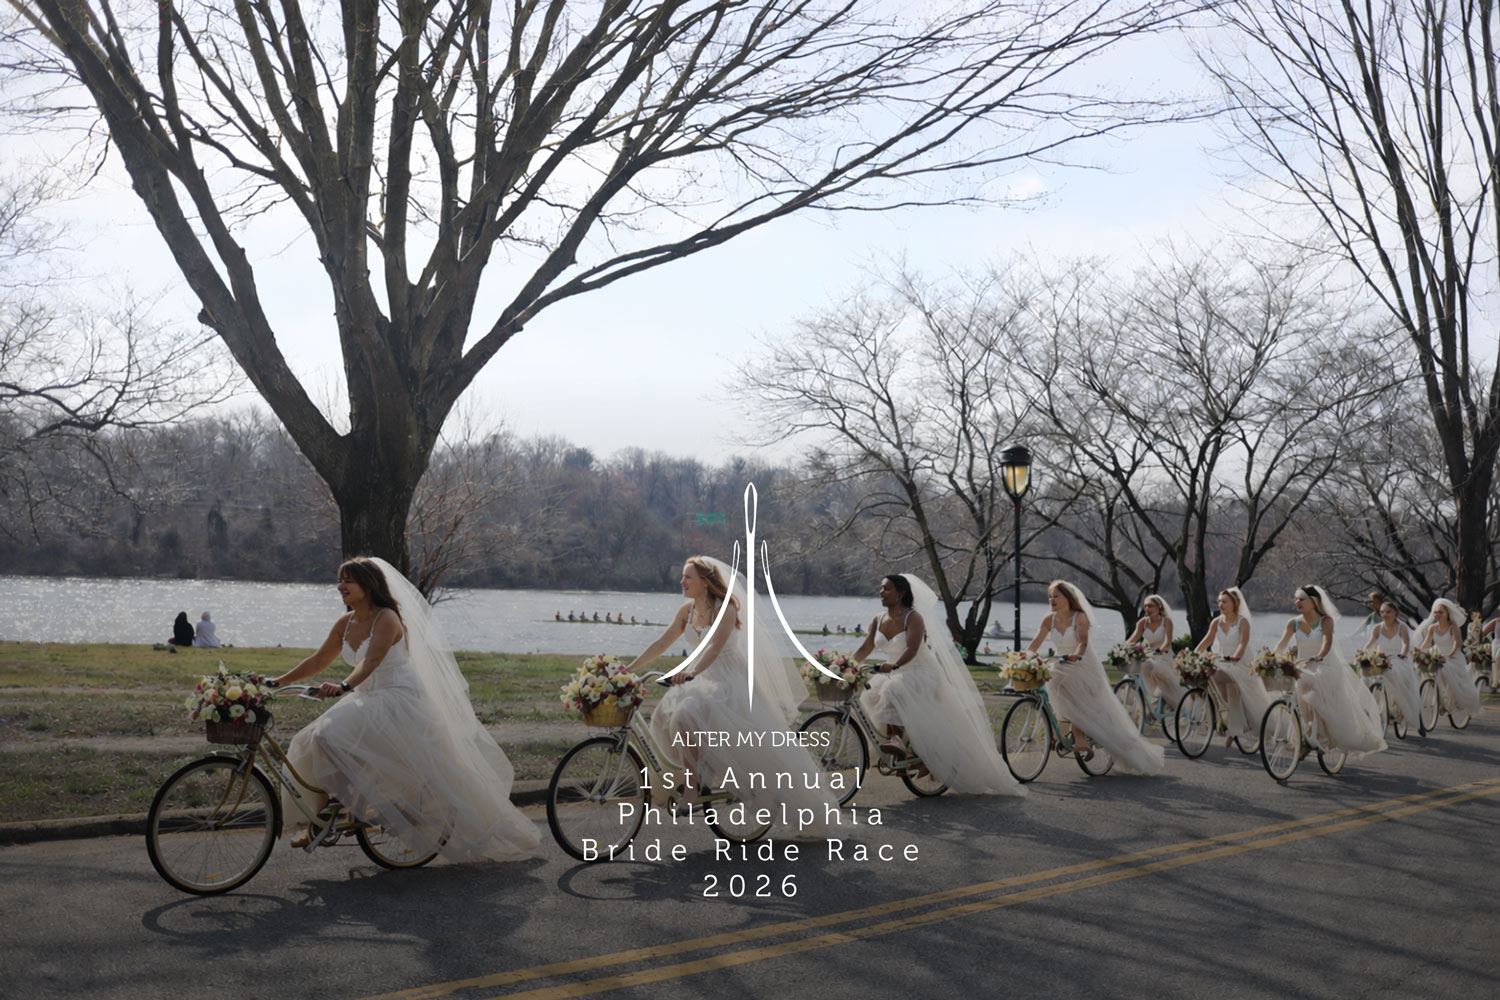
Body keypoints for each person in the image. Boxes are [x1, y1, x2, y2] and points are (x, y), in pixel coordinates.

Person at [267, 557, 539, 861]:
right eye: (340, 580)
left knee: (328, 737)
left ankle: (345, 809)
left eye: (348, 581)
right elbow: (318, 661)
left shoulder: (387, 619)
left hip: (397, 698)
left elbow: (371, 662)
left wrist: (343, 686)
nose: (341, 586)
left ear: (368, 586)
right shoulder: (345, 623)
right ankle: (321, 821)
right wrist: (276, 682)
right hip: (368, 699)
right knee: (305, 742)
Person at [626, 556, 839, 823]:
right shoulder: (686, 611)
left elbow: (715, 647)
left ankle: (693, 788)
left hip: (729, 680)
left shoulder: (726, 608)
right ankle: (693, 775)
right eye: (682, 577)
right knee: (661, 718)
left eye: (688, 577)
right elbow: (661, 642)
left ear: (705, 581)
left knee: (684, 717)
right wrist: (629, 668)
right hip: (700, 680)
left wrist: (692, 671)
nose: (682, 582)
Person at [852, 574, 1025, 796]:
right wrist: (846, 665)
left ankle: (898, 741)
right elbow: (865, 648)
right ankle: (901, 746)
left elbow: (912, 649)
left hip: (919, 672)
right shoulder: (878, 619)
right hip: (893, 672)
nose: (881, 592)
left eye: (886, 588)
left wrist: (894, 665)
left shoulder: (913, 618)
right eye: (881, 588)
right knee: (868, 696)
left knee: (891, 689)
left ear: (901, 593)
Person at [1026, 580, 1164, 774]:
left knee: (1075, 698)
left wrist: (1077, 655)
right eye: (1050, 596)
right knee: (1058, 696)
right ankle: (1062, 736)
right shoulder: (1048, 619)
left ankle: (1080, 740)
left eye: (1056, 595)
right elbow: (1036, 641)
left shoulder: (1079, 617)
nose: (1052, 599)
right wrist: (1025, 656)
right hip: (1060, 664)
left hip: (1081, 664)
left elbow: (1082, 642)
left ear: (1068, 597)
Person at [1272, 585, 1386, 757]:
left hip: (1325, 666)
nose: (1298, 602)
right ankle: (1305, 734)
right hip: (1302, 667)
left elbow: (1327, 642)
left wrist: (1318, 656)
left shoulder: (1326, 621)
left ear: (1314, 601)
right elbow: (1281, 644)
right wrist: (1271, 658)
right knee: (1299, 690)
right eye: (1296, 598)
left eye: (1302, 599)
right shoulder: (1293, 623)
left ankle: (1322, 732)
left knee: (1310, 688)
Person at [1196, 587, 1271, 748]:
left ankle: (1239, 725)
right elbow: (1208, 640)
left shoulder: (1242, 622)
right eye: (1219, 601)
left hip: (1239, 662)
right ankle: (1234, 726)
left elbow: (1243, 643)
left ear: (1234, 603)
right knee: (1227, 697)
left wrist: (1235, 657)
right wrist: (1195, 653)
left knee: (1235, 694)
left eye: (1225, 601)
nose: (1221, 604)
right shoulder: (1216, 621)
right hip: (1222, 660)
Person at [1412, 598, 1483, 721]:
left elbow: (1457, 643)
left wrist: (1449, 654)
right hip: (1438, 654)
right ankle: (1438, 698)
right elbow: (1427, 642)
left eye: (1441, 612)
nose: (1437, 615)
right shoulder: (1432, 628)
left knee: (1446, 672)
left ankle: (1452, 701)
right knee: (1423, 669)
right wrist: (1420, 651)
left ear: (1447, 614)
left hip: (1453, 656)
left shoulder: (1453, 626)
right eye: (1435, 612)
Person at [1360, 600, 1422, 734]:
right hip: (1382, 658)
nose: (1384, 614)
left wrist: (1403, 654)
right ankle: (1372, 709)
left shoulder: (1402, 627)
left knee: (1396, 672)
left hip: (1398, 659)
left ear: (1395, 613)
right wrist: (1363, 652)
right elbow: (1370, 643)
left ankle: (1399, 708)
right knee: (1369, 675)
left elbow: (1406, 643)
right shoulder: (1377, 628)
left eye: (1388, 612)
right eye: (1382, 612)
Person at [1124, 595, 1187, 713]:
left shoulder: (1166, 621)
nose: (1147, 608)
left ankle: (1153, 698)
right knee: (1137, 669)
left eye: (1150, 605)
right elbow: (1132, 639)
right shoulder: (1142, 623)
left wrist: (1159, 650)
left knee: (1146, 664)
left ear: (1159, 607)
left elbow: (1167, 642)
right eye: (1145, 606)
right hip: (1148, 656)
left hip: (1163, 657)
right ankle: (1145, 706)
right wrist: (1122, 648)